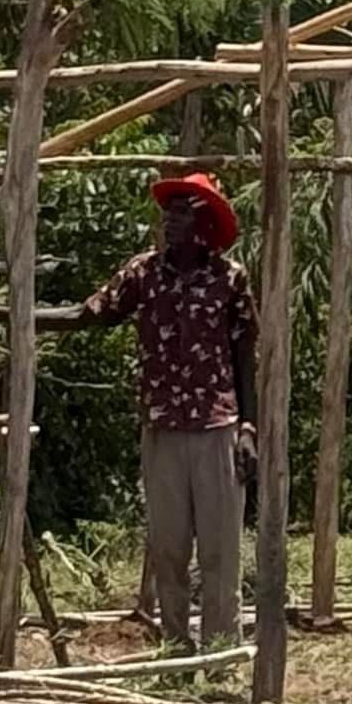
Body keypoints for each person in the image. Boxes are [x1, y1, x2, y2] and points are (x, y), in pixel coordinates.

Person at [47, 173, 258, 652]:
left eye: (182, 211)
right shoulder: (143, 273)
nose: (170, 220)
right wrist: (10, 315)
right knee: (169, 544)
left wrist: (250, 426)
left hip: (217, 426)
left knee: (220, 548)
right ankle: (177, 644)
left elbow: (246, 354)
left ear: (204, 222)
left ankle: (222, 648)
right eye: (169, 211)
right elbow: (89, 315)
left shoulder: (230, 279)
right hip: (162, 426)